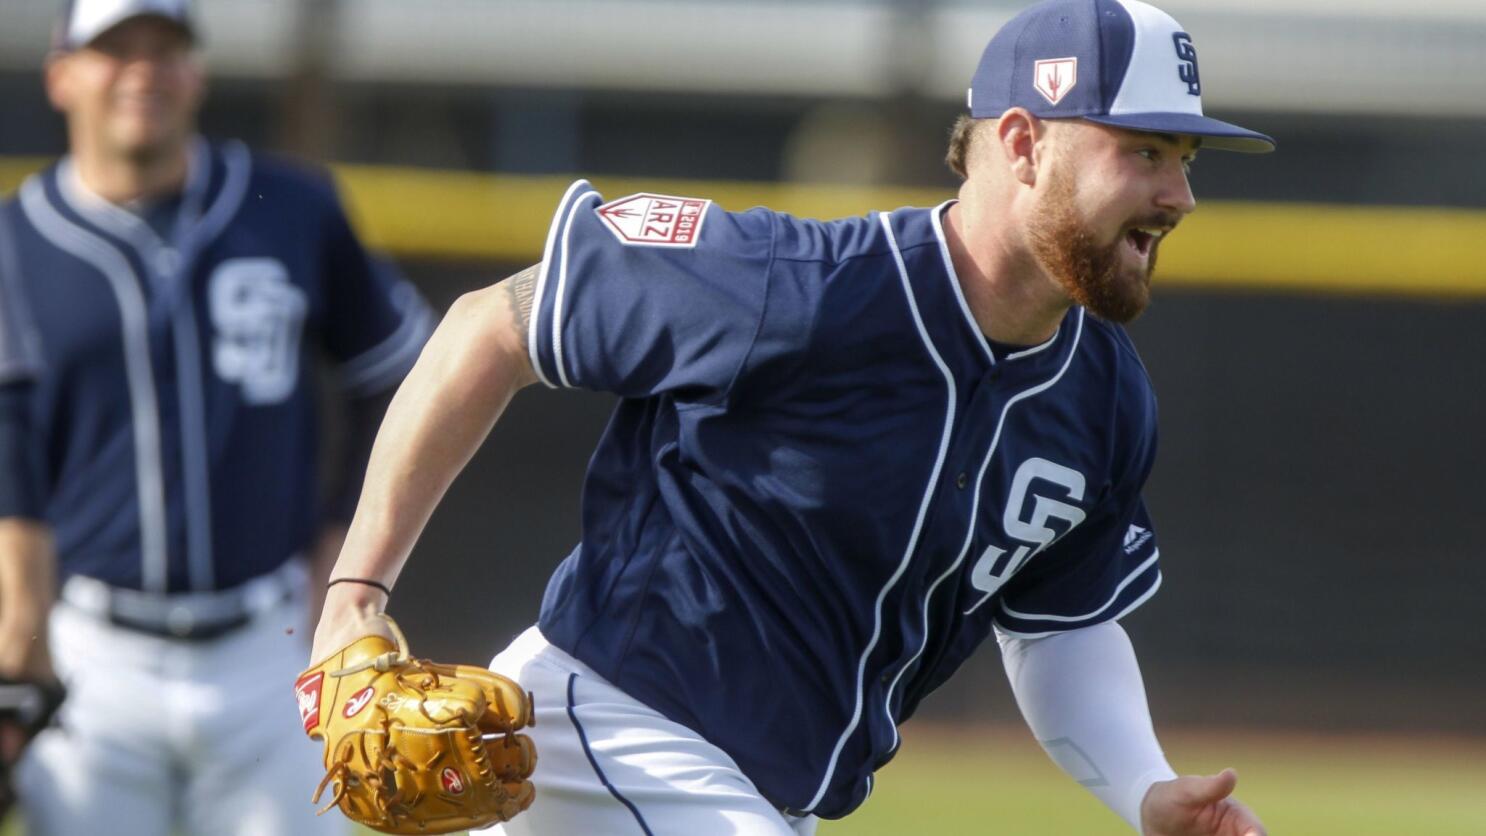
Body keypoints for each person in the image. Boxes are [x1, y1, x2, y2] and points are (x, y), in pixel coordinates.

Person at [309, 0, 1273, 833]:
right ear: (1022, 143)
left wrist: (1144, 789)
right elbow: (492, 327)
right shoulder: (800, 288)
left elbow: (1059, 621)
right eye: (1143, 151)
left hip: (753, 801)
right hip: (610, 731)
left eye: (1185, 158)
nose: (1178, 195)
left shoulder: (1103, 397)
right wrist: (357, 593)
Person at [0, 0, 432, 833]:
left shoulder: (291, 207)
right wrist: (18, 628)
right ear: (61, 75)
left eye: (166, 49)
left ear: (198, 71)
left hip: (271, 642)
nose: (143, 72)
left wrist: (347, 557)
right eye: (114, 49)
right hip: (93, 653)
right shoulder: (14, 240)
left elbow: (399, 373)